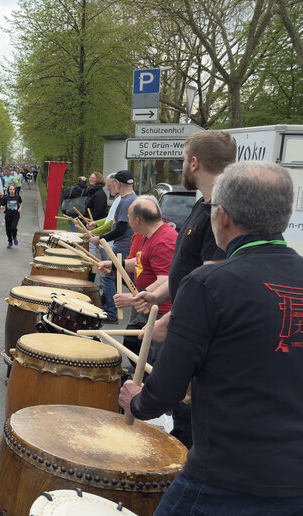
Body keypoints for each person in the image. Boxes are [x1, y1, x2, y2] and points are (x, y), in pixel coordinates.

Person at [119, 161, 303, 514]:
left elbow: (167, 390)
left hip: (225, 479)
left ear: (223, 217)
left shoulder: (208, 285)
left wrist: (138, 402)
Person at [131, 130, 235, 448]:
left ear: (193, 162)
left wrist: (171, 319)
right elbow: (187, 271)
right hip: (183, 318)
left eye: (182, 158)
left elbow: (211, 286)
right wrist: (159, 294)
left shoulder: (222, 213)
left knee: (184, 416)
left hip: (198, 335)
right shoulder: (203, 205)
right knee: (172, 409)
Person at [98, 196, 176, 362]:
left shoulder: (164, 241)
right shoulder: (149, 234)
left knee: (153, 361)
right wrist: (113, 265)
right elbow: (139, 262)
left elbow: (166, 280)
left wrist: (133, 297)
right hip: (149, 307)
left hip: (160, 312)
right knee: (132, 341)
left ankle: (147, 384)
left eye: (128, 216)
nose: (127, 220)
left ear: (138, 220)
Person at [89, 170, 136, 322]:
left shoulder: (126, 201)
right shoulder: (130, 198)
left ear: (119, 183)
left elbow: (120, 229)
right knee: (122, 277)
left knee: (107, 276)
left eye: (113, 183)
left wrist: (100, 238)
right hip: (124, 245)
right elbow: (114, 224)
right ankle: (109, 304)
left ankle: (111, 312)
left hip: (122, 246)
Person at [1, 183, 22, 248]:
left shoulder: (18, 196)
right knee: (8, 230)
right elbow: (2, 204)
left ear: (15, 190)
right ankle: (10, 241)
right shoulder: (6, 198)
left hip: (15, 215)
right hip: (8, 215)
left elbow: (21, 202)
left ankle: (15, 236)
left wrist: (20, 208)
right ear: (8, 190)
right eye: (10, 189)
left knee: (13, 227)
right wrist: (2, 207)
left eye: (13, 189)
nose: (12, 191)